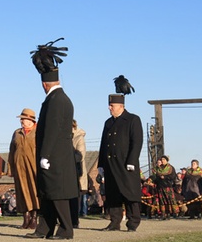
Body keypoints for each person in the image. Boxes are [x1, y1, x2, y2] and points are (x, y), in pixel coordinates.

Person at [25, 38, 78, 240]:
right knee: (47, 194)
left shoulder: (57, 100)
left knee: (58, 194)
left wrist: (45, 154)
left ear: (45, 84)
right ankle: (44, 229)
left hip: (55, 156)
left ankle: (66, 229)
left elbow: (52, 131)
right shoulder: (56, 99)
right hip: (53, 154)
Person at [97, 76, 143, 232]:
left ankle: (133, 222)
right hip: (110, 165)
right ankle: (114, 222)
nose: (110, 108)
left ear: (120, 105)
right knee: (113, 194)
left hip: (126, 164)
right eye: (109, 105)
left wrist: (132, 160)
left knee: (130, 194)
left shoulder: (132, 120)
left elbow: (136, 142)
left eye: (112, 105)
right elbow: (103, 145)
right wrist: (101, 165)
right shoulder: (108, 123)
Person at [8, 108, 39, 230]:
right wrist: (11, 167)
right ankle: (25, 218)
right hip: (19, 168)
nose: (21, 121)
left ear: (30, 120)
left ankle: (34, 218)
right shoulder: (17, 133)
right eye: (21, 119)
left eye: (23, 119)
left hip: (33, 167)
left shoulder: (37, 132)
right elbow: (11, 151)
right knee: (21, 192)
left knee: (34, 192)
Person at [71, 119, 88, 228]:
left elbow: (80, 155)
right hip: (64, 173)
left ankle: (74, 220)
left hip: (76, 172)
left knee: (74, 198)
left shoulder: (78, 137)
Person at [151, 155, 178, 220]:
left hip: (168, 186)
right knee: (162, 201)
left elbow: (173, 177)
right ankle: (163, 214)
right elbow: (155, 177)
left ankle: (173, 213)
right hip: (160, 187)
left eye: (163, 159)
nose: (162, 161)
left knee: (170, 200)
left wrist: (165, 177)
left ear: (166, 160)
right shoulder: (157, 168)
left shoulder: (170, 168)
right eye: (161, 159)